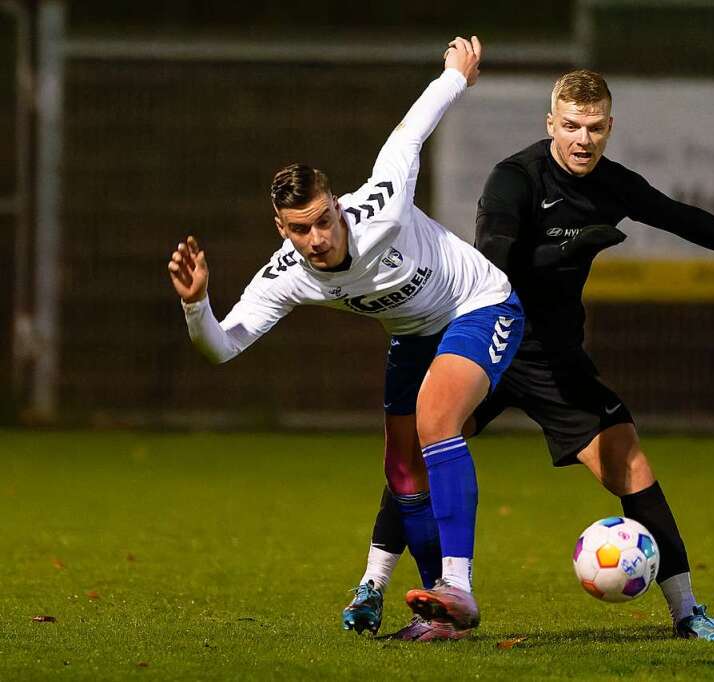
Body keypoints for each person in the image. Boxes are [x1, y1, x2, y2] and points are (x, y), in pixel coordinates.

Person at [343, 68, 714, 642]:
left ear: (609, 128)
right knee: (426, 446)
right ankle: (373, 586)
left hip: (556, 360)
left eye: (594, 127)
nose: (582, 138)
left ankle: (687, 613)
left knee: (631, 464)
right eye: (571, 125)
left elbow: (683, 218)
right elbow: (491, 265)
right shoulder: (513, 180)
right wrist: (561, 251)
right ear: (551, 124)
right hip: (491, 341)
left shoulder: (611, 184)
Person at [167, 36, 520, 640]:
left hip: (480, 304)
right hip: (413, 336)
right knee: (404, 473)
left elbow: (409, 133)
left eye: (325, 218)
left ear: (336, 204)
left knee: (437, 419)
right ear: (281, 228)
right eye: (301, 229)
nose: (319, 237)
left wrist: (456, 75)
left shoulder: (379, 210)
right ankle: (444, 612)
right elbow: (222, 347)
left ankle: (458, 585)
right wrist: (197, 304)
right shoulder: (285, 276)